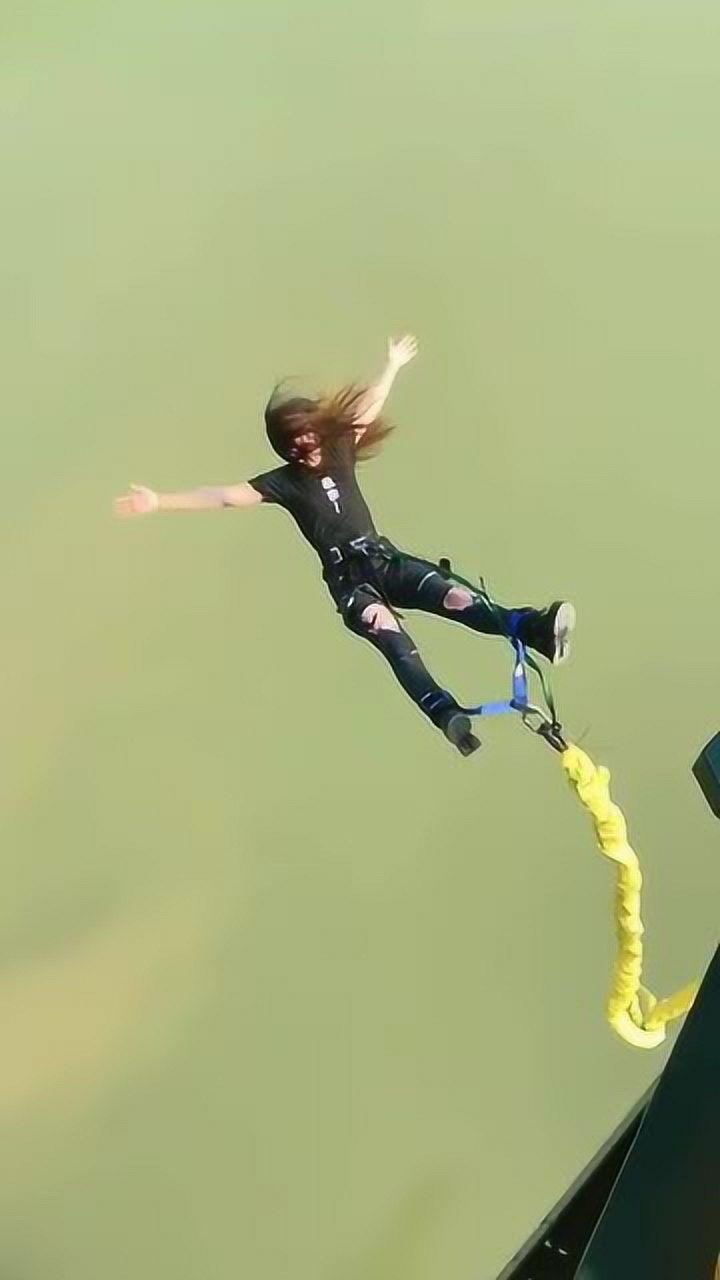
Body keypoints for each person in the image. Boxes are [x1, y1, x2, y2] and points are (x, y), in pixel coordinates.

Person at [115, 335, 575, 756]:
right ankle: (446, 714)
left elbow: (368, 407)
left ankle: (532, 628)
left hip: (383, 558)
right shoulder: (283, 483)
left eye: (310, 433)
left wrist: (392, 364)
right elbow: (222, 497)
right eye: (296, 441)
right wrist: (159, 501)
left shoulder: (340, 449)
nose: (307, 445)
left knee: (456, 597)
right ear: (287, 448)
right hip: (350, 585)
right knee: (392, 638)